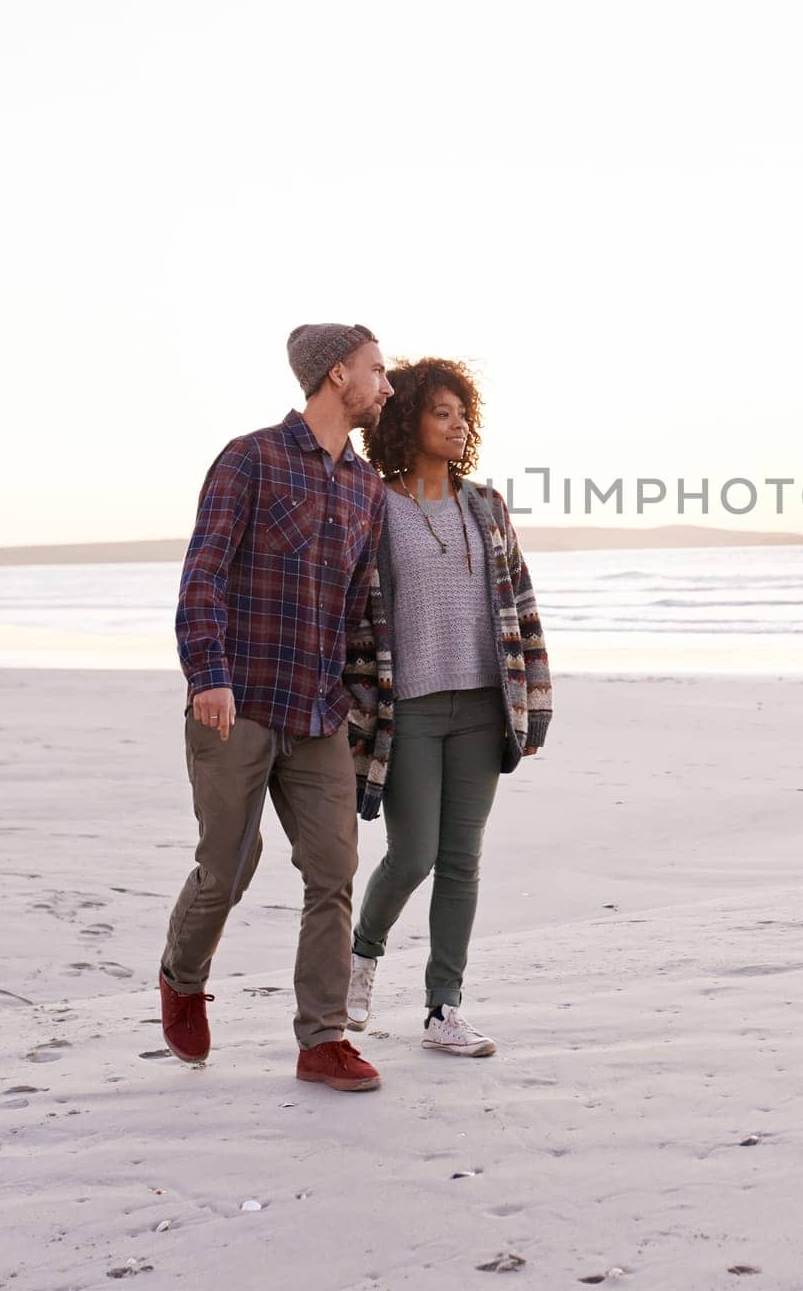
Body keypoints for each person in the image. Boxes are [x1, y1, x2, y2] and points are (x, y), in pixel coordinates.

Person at [163, 322, 394, 1093]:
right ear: (337, 376)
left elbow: (362, 610)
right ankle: (182, 974)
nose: (385, 386)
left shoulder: (366, 488)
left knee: (333, 870)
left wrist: (361, 704)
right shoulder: (250, 458)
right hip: (239, 702)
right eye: (376, 370)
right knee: (227, 868)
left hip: (319, 711)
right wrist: (208, 675)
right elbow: (202, 574)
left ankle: (322, 1040)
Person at [341, 357, 552, 1057]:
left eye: (464, 413)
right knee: (414, 854)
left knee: (462, 859)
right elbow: (355, 618)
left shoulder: (485, 505)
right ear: (407, 423)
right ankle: (361, 957)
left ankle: (443, 1010)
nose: (458, 424)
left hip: (483, 704)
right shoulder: (374, 506)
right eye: (442, 412)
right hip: (409, 711)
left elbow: (521, 604)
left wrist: (536, 703)